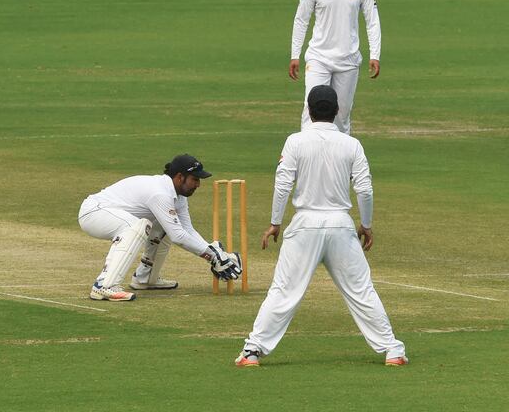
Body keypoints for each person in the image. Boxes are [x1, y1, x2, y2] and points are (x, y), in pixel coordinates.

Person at [234, 85, 407, 367]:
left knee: (284, 291)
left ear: (309, 110)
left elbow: (282, 184)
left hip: (305, 224)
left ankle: (253, 351)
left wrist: (275, 222)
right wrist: (366, 224)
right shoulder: (352, 144)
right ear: (337, 111)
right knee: (362, 291)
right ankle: (393, 351)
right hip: (341, 224)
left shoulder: (295, 142)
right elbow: (364, 189)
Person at [78, 154, 242, 301]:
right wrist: (211, 256)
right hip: (94, 213)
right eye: (195, 179)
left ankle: (146, 278)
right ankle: (104, 285)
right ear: (180, 177)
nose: (198, 185)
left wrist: (214, 252)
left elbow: (187, 230)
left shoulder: (178, 196)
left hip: (110, 213)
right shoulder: (160, 193)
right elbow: (179, 236)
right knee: (137, 226)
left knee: (165, 227)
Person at [290, 0, 381, 134]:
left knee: (342, 114)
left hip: (348, 59)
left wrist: (375, 55)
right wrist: (294, 55)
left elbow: (372, 21)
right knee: (310, 109)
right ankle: (306, 159)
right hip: (318, 57)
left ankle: (342, 161)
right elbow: (301, 19)